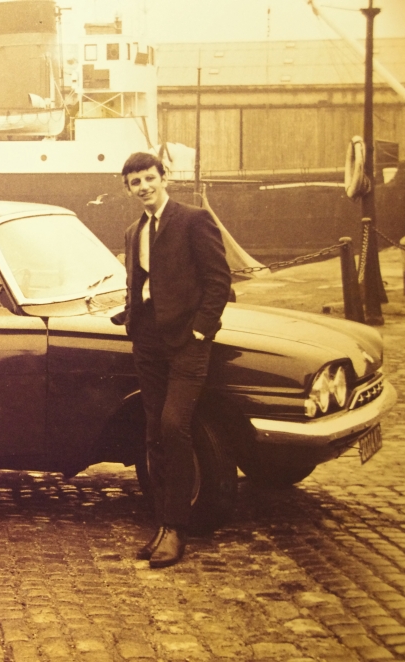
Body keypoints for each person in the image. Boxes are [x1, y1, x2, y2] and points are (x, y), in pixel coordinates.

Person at [115, 152, 231, 568]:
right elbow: (138, 284)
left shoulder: (193, 220)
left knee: (173, 425)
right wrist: (133, 322)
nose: (144, 187)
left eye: (150, 178)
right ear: (128, 188)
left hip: (187, 343)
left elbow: (219, 279)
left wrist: (201, 330)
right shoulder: (134, 231)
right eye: (135, 182)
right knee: (153, 433)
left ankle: (177, 529)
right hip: (148, 341)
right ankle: (163, 525)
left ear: (164, 178)